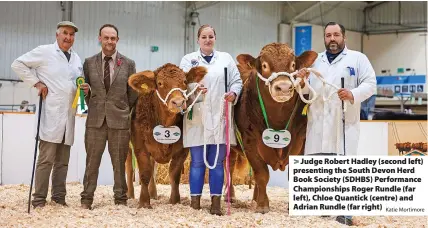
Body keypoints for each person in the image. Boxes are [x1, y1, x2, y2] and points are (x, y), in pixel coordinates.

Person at [300, 22, 376, 225]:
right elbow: (308, 93)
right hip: (318, 122)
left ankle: (347, 212)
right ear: (324, 38)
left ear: (344, 37)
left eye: (336, 35)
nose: (332, 39)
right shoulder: (315, 61)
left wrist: (352, 93)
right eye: (328, 35)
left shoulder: (358, 58)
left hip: (344, 122)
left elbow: (370, 84)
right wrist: (302, 82)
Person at [11, 21, 82, 208]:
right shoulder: (45, 51)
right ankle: (39, 200)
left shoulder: (76, 59)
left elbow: (75, 83)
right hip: (51, 115)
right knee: (46, 160)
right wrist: (36, 83)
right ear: (57, 34)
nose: (68, 37)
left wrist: (84, 88)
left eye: (72, 34)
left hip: (69, 117)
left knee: (62, 162)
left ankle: (59, 198)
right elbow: (17, 64)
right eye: (65, 33)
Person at [179, 24, 243, 215]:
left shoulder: (225, 59)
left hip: (220, 115)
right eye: (204, 37)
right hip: (196, 116)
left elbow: (237, 81)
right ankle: (195, 202)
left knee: (217, 161)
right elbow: (181, 84)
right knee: (197, 161)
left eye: (211, 36)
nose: (207, 40)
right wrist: (194, 88)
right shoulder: (188, 60)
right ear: (198, 39)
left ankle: (216, 202)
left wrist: (233, 93)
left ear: (215, 38)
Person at [79, 24, 138, 210]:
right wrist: (95, 103)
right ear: (100, 38)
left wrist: (120, 108)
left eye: (113, 38)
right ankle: (86, 200)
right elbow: (85, 91)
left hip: (119, 121)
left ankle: (120, 200)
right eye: (106, 38)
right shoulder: (88, 63)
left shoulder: (129, 64)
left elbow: (133, 93)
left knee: (119, 164)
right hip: (95, 121)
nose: (110, 41)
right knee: (91, 163)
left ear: (117, 40)